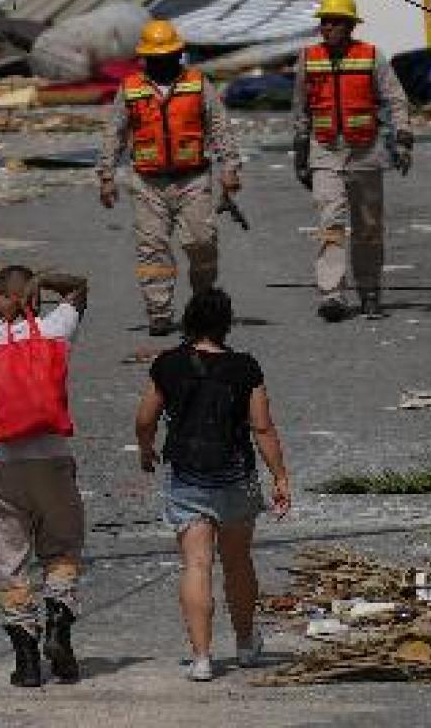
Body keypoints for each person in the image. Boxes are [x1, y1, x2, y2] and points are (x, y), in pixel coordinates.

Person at [135, 287, 294, 680]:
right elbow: (262, 426)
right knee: (238, 563)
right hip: (235, 477)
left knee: (196, 564)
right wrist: (280, 476)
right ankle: (244, 645)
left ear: (188, 321)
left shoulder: (168, 364)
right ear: (226, 324)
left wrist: (145, 447)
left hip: (188, 478)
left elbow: (145, 418)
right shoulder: (245, 367)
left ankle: (202, 658)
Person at [0, 263, 91, 687]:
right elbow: (81, 286)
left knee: (8, 559)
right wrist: (46, 282)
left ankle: (27, 660)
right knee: (63, 546)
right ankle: (58, 622)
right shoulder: (55, 329)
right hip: (51, 456)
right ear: (34, 297)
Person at [99, 18, 242, 335]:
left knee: (203, 243)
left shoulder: (197, 83)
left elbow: (219, 126)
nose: (161, 62)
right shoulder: (131, 89)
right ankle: (159, 312)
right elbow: (115, 133)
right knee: (152, 249)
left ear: (178, 54)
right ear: (145, 58)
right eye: (155, 57)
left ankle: (202, 303)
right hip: (148, 183)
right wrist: (106, 175)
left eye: (167, 56)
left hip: (193, 180)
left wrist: (230, 168)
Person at [290, 0, 411, 321]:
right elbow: (300, 106)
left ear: (349, 25)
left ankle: (370, 290)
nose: (326, 27)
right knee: (330, 222)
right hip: (325, 150)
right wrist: (300, 152)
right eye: (324, 22)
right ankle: (332, 295)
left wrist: (403, 139)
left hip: (366, 151)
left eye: (333, 22)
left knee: (368, 226)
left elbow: (395, 98)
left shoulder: (371, 56)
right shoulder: (307, 58)